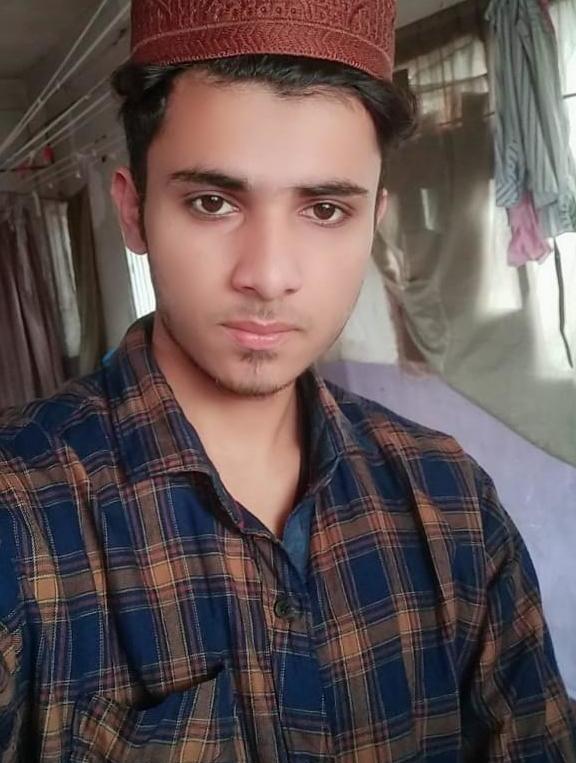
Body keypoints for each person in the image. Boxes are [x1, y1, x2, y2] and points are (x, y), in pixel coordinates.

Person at [0, 0, 574, 760]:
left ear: (374, 219)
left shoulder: (451, 500)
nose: (268, 276)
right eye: (212, 202)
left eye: (326, 209)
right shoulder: (21, 513)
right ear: (133, 211)